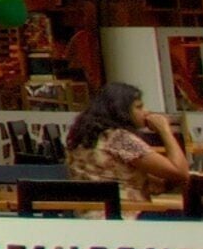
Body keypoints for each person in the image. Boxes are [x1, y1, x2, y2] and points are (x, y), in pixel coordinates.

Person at [64, 81, 192, 215]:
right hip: (126, 216)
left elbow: (119, 176)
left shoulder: (82, 138)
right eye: (139, 107)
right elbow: (180, 171)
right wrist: (165, 130)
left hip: (90, 216)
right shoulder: (120, 139)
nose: (146, 112)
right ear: (121, 110)